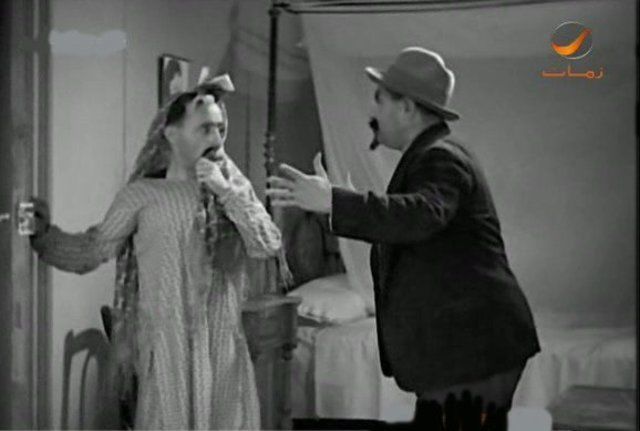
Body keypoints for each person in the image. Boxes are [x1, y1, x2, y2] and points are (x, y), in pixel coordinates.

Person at [267, 47, 540, 422]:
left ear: (408, 107)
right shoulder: (431, 155)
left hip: (473, 350)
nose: (372, 112)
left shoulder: (440, 157)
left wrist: (335, 201)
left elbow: (419, 216)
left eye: (379, 100)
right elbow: (409, 228)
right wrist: (337, 205)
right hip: (465, 351)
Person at [30, 75, 288, 429]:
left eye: (220, 129)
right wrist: (44, 237)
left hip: (222, 349)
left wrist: (226, 191)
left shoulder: (232, 190)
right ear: (171, 134)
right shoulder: (142, 195)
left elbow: (267, 244)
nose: (216, 140)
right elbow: (93, 249)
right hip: (168, 350)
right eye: (205, 129)